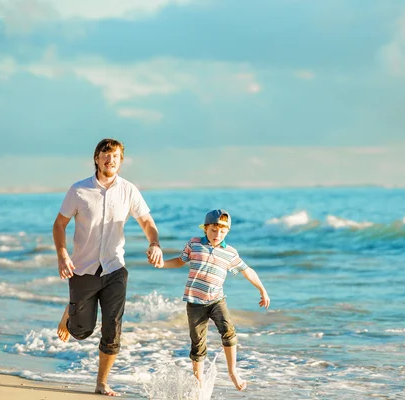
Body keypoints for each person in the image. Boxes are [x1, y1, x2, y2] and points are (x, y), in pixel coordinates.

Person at [53, 138, 163, 396]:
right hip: (82, 270)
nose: (110, 159)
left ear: (120, 162)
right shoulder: (78, 190)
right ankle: (71, 310)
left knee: (113, 328)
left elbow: (146, 221)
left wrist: (155, 243)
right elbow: (59, 225)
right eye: (105, 154)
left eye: (115, 156)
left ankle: (101, 382)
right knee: (81, 331)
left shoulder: (129, 190)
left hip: (115, 269)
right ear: (96, 158)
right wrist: (62, 255)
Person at [155, 209, 270, 391]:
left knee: (228, 332)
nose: (218, 235)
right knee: (198, 344)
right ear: (206, 229)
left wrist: (262, 289)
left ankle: (233, 372)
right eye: (214, 230)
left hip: (217, 300)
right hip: (194, 302)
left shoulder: (230, 253)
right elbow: (179, 261)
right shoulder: (194, 244)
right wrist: (162, 263)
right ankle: (199, 383)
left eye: (222, 231)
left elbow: (247, 271)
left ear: (227, 232)